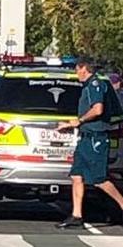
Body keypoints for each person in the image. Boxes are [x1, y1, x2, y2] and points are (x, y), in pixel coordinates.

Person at [56, 58, 123, 228]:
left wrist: (79, 121)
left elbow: (97, 109)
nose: (75, 73)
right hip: (85, 137)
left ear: (83, 68)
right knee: (76, 175)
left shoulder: (95, 85)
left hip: (96, 138)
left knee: (99, 179)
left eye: (76, 69)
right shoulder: (87, 86)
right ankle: (76, 215)